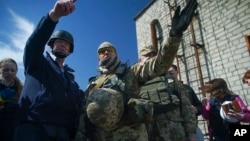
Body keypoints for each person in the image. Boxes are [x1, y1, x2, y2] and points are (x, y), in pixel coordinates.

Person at [75, 0, 198, 140]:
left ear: (116, 54)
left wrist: (174, 35)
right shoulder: (93, 84)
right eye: (102, 52)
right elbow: (84, 115)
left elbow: (160, 64)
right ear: (98, 57)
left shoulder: (131, 72)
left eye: (109, 50)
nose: (106, 53)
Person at [12, 0, 83, 141]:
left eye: (66, 44)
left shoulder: (72, 81)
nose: (63, 45)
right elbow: (34, 42)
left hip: (64, 134)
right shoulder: (37, 62)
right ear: (51, 45)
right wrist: (53, 16)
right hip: (32, 129)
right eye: (59, 42)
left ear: (70, 50)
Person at [138, 46, 198, 141]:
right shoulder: (136, 82)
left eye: (153, 55)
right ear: (140, 60)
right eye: (147, 55)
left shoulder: (169, 78)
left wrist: (191, 134)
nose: (151, 57)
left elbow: (186, 107)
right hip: (151, 134)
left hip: (176, 133)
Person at [168, 64, 204, 141]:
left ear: (177, 72)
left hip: (191, 126)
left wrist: (197, 109)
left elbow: (199, 105)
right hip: (174, 129)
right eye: (167, 73)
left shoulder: (187, 88)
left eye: (171, 72)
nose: (170, 75)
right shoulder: (166, 90)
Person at [0, 58, 23, 141]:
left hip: (13, 132)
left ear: (16, 72)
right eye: (6, 70)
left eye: (12, 70)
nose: (9, 73)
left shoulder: (21, 90)